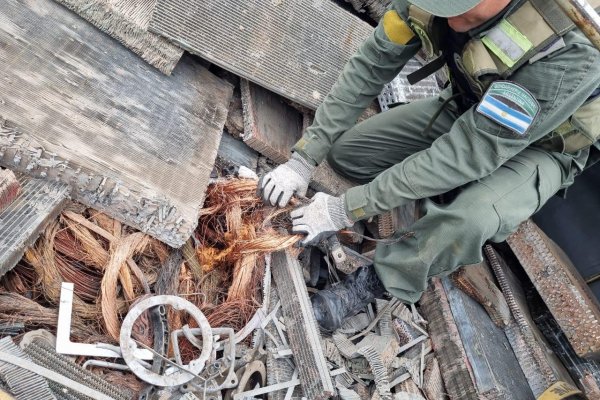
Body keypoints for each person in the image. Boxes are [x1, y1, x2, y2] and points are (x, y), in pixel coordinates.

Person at [259, 0, 600, 331]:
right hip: (471, 105)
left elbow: (470, 151)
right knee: (349, 155)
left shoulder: (568, 48)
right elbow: (371, 64)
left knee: (470, 219)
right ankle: (443, 186)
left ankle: (378, 281)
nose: (447, 19)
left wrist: (346, 209)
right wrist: (304, 158)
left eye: (459, 7)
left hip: (543, 148)